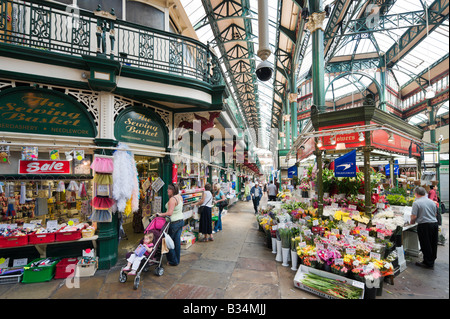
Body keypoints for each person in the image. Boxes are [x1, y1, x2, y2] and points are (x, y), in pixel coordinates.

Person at [410, 187, 439, 269]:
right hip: (434, 224)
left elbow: (414, 216)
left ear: (416, 193)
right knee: (433, 243)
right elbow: (436, 214)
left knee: (425, 244)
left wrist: (411, 222)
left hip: (424, 225)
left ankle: (428, 263)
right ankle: (431, 260)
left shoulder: (416, 203)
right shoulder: (432, 202)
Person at [156, 183, 183, 266]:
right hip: (180, 221)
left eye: (169, 189)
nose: (167, 190)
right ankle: (176, 260)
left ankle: (173, 261)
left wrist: (160, 214)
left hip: (173, 223)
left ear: (173, 190)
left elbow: (170, 213)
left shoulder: (172, 199)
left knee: (168, 242)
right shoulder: (179, 196)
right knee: (176, 242)